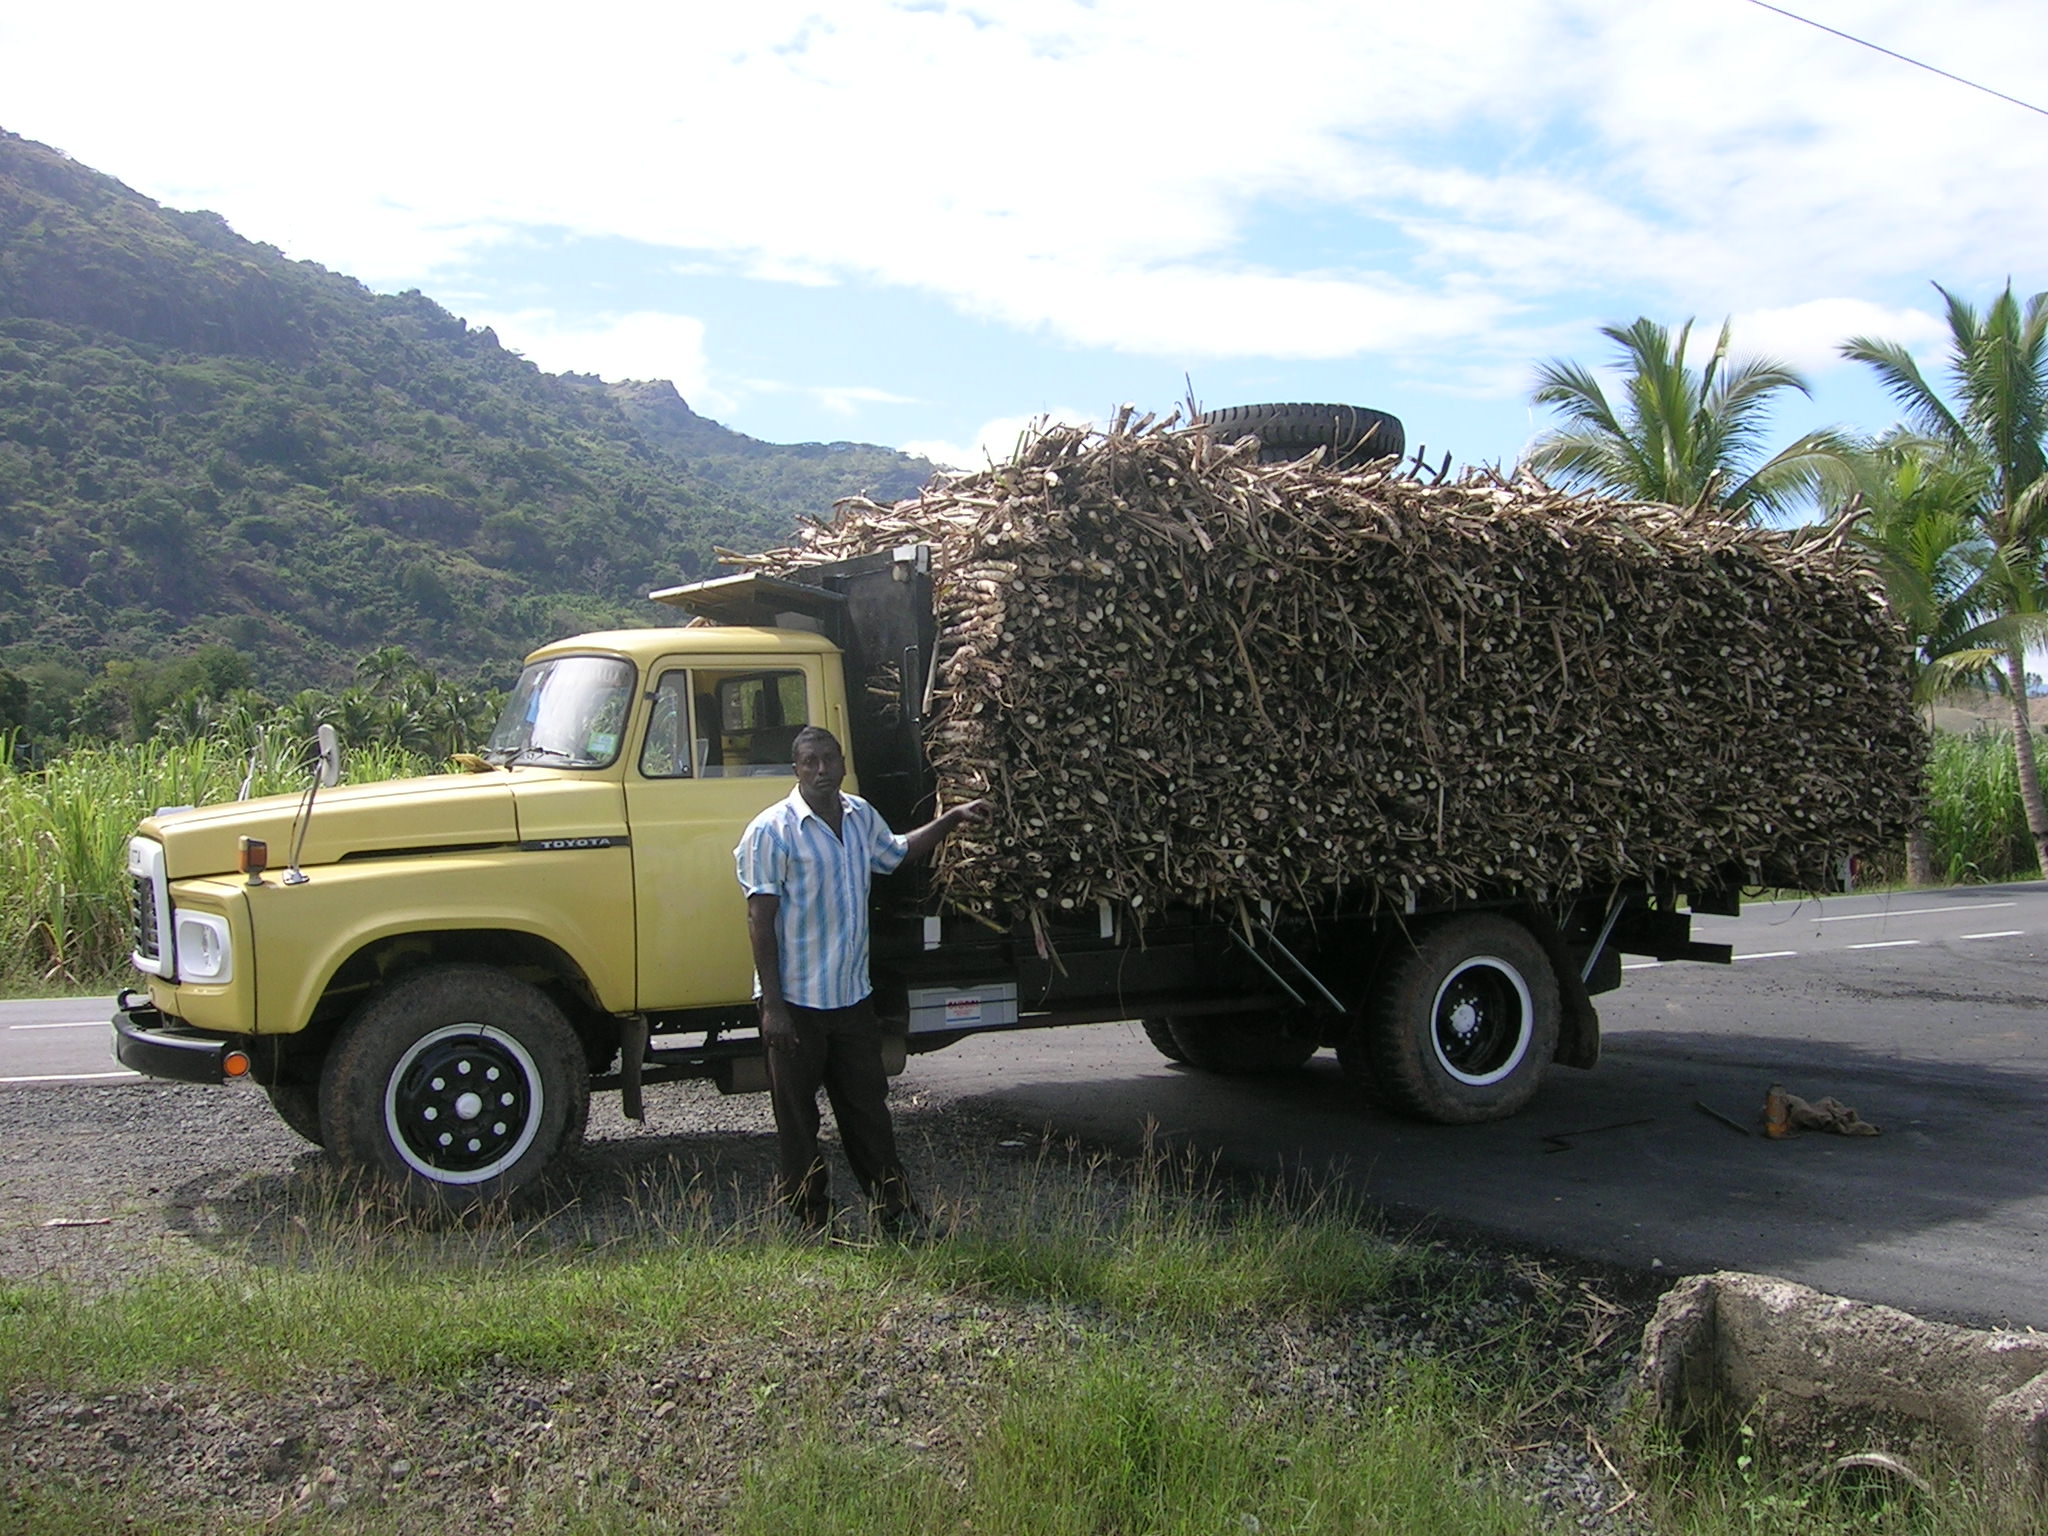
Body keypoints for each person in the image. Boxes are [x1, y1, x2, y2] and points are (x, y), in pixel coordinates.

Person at [733, 725, 991, 1237]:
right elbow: (759, 922)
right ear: (796, 769)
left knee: (868, 1114)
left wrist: (952, 819)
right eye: (810, 762)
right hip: (798, 1004)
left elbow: (897, 852)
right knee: (799, 1124)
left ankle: (896, 1215)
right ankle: (811, 1221)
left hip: (851, 1000)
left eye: (830, 760)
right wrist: (774, 1008)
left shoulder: (858, 815)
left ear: (843, 761)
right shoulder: (772, 830)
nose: (822, 771)